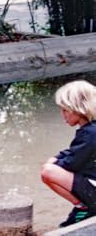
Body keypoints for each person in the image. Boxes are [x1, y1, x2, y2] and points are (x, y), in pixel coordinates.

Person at [41, 80, 96, 227]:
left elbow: (73, 163)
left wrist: (53, 163)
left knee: (48, 172)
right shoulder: (91, 130)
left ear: (78, 109)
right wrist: (58, 157)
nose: (62, 115)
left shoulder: (89, 134)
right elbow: (77, 151)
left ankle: (83, 206)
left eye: (65, 110)